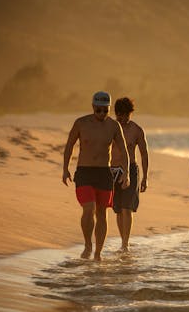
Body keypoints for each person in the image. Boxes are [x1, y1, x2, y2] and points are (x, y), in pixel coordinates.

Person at [62, 91, 130, 261]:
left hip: (104, 173)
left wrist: (126, 172)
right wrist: (65, 168)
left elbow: (124, 151)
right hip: (84, 172)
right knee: (89, 208)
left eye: (105, 111)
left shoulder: (114, 126)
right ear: (93, 107)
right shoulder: (81, 123)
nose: (101, 114)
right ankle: (87, 245)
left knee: (102, 213)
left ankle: (98, 253)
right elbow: (69, 146)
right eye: (98, 110)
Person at [111, 97, 149, 252]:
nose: (123, 118)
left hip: (131, 169)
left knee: (127, 207)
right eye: (120, 115)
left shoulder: (137, 130)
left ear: (130, 114)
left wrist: (145, 177)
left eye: (126, 115)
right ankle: (123, 241)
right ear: (116, 113)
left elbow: (144, 154)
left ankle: (125, 244)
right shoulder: (110, 128)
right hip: (112, 170)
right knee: (118, 209)